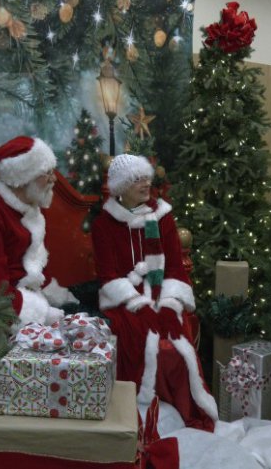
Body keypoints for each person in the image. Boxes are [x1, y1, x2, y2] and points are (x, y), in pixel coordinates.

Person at [91, 154, 218, 432]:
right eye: (137, 179)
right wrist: (138, 304)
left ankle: (185, 410)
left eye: (146, 177)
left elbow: (174, 266)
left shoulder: (163, 216)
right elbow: (108, 276)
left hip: (164, 291)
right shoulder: (104, 224)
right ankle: (141, 414)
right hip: (126, 298)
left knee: (175, 343)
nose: (146, 184)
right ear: (122, 186)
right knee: (139, 339)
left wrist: (171, 303)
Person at [0, 136, 76, 326]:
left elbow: (32, 268)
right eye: (47, 173)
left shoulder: (30, 207)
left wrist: (62, 300)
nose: (54, 179)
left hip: (26, 302)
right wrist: (43, 314)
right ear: (23, 177)